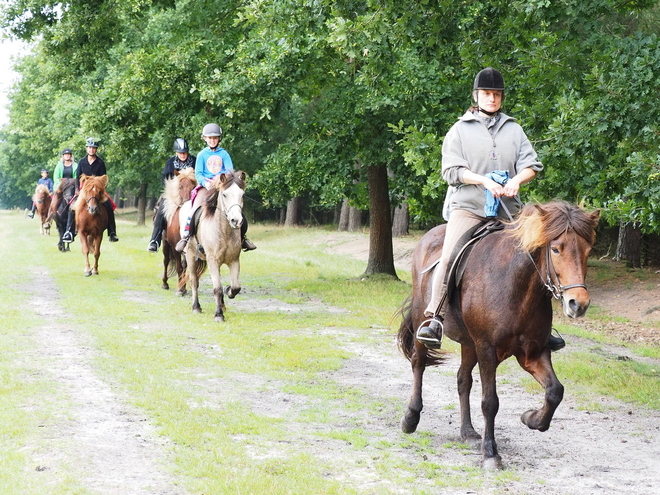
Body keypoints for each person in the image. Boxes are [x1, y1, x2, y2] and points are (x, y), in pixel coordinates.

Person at [416, 67, 563, 351]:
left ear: (501, 97)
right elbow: (451, 171)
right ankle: (434, 316)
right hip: (469, 207)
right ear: (476, 95)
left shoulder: (514, 129)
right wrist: (483, 181)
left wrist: (516, 181)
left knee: (538, 256)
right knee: (448, 257)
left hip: (508, 210)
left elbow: (532, 165)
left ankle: (543, 326)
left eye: (497, 94)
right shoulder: (459, 130)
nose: (492, 98)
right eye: (487, 93)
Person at [175, 123, 256, 253]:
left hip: (222, 187)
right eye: (209, 138)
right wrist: (206, 183)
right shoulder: (202, 154)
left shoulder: (224, 154)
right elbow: (199, 173)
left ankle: (243, 238)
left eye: (215, 138)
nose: (212, 140)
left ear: (219, 139)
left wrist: (222, 182)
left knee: (236, 209)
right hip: (205, 187)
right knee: (193, 210)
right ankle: (186, 237)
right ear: (205, 139)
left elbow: (229, 172)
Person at [62, 138, 119, 243]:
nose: (91, 150)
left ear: (96, 150)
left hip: (97, 190)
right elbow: (78, 177)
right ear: (87, 149)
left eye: (93, 148)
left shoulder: (100, 162)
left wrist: (100, 189)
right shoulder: (82, 162)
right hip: (84, 190)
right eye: (90, 148)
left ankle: (112, 232)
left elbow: (103, 178)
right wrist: (77, 190)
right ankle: (69, 232)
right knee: (72, 206)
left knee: (109, 206)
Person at [147, 138, 196, 252]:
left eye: (184, 152)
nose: (183, 155)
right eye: (180, 153)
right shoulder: (170, 163)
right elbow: (165, 179)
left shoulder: (194, 160)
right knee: (161, 209)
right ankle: (155, 240)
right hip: (174, 193)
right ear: (176, 152)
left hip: (192, 192)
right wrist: (173, 190)